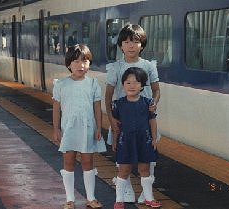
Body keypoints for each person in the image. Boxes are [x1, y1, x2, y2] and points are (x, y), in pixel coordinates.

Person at [105, 24, 161, 204]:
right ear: (120, 45)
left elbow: (156, 90)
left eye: (135, 42)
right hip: (122, 120)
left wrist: (154, 103)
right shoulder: (115, 67)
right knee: (123, 159)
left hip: (144, 119)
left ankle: (146, 193)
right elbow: (108, 96)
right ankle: (126, 191)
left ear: (142, 45)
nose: (130, 45)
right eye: (126, 42)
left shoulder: (148, 66)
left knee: (148, 158)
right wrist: (112, 122)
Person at [52, 44, 106, 209]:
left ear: (89, 63)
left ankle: (91, 198)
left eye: (85, 61)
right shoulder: (61, 84)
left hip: (87, 129)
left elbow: (97, 107)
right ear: (68, 64)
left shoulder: (93, 84)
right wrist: (56, 128)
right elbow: (56, 108)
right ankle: (70, 199)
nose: (80, 65)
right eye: (76, 61)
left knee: (88, 161)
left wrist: (99, 127)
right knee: (68, 161)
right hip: (68, 129)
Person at [112, 68, 161, 209]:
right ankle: (119, 200)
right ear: (123, 85)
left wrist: (153, 138)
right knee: (123, 171)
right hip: (125, 142)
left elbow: (152, 121)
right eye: (128, 83)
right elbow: (116, 125)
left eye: (136, 82)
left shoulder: (148, 103)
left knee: (144, 170)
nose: (132, 86)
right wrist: (115, 140)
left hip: (144, 141)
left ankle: (148, 198)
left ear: (142, 86)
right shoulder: (118, 104)